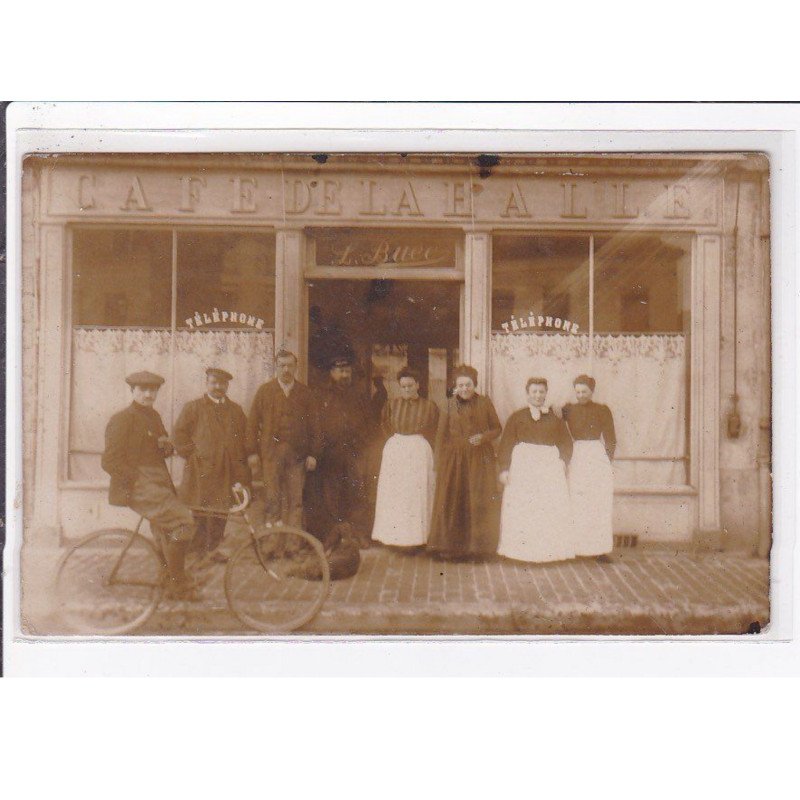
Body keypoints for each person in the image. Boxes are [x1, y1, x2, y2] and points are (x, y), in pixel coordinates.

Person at [101, 371, 196, 598]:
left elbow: (158, 449)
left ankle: (167, 577)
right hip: (139, 485)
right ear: (133, 391)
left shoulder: (154, 417)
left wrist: (166, 448)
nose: (148, 394)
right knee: (183, 521)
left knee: (165, 530)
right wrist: (136, 479)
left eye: (152, 390)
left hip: (158, 482)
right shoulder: (122, 419)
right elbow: (109, 461)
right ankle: (178, 584)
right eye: (142, 389)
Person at [172, 367, 250, 564]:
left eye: (222, 383)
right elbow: (179, 435)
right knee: (200, 511)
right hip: (202, 470)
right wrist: (194, 455)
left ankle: (213, 550)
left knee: (220, 512)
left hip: (226, 470)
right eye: (213, 382)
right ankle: (197, 552)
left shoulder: (236, 410)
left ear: (227, 386)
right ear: (206, 384)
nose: (218, 387)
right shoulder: (193, 408)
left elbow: (243, 439)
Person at [427, 365, 502, 560]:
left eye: (468, 384)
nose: (465, 389)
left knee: (477, 500)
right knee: (454, 501)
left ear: (474, 385)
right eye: (460, 385)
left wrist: (483, 437)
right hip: (455, 460)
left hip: (479, 459)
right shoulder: (448, 404)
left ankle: (478, 549)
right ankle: (452, 549)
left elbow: (497, 428)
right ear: (455, 386)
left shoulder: (485, 402)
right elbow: (440, 436)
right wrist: (438, 463)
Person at [497, 377, 574, 563]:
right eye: (534, 392)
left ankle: (548, 552)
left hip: (548, 468)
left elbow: (566, 443)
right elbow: (506, 443)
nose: (538, 396)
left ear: (546, 393)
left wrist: (563, 462)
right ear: (527, 394)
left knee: (547, 508)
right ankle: (519, 552)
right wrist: (505, 469)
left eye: (541, 392)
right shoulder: (517, 417)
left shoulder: (555, 418)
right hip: (523, 467)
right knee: (523, 508)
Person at [246, 350, 319, 529]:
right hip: (271, 455)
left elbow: (315, 426)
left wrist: (314, 454)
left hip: (297, 456)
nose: (286, 369)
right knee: (272, 499)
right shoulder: (265, 391)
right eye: (282, 365)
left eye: (290, 365)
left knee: (296, 501)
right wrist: (252, 452)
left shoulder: (305, 393)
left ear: (296, 367)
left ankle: (293, 545)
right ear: (276, 367)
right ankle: (271, 544)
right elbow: (252, 424)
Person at [304, 354, 372, 548]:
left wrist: (362, 445)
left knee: (356, 495)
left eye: (348, 371)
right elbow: (315, 425)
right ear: (332, 372)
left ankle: (357, 536)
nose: (345, 375)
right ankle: (332, 537)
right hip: (330, 456)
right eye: (341, 371)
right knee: (330, 498)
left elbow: (368, 423)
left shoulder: (358, 395)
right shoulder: (322, 395)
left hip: (353, 454)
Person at [371, 367, 440, 550]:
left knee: (416, 495)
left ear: (418, 385)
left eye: (410, 385)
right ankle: (393, 538)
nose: (407, 389)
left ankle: (418, 539)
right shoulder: (392, 404)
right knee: (396, 494)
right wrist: (396, 442)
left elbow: (434, 430)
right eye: (403, 386)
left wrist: (420, 443)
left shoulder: (429, 406)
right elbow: (384, 424)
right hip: (396, 451)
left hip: (419, 451)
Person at [562, 374, 617, 561]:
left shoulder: (602, 410)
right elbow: (560, 434)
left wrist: (606, 461)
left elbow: (610, 438)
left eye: (584, 391)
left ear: (592, 391)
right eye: (577, 391)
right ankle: (576, 548)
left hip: (596, 454)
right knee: (577, 501)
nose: (581, 395)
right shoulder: (568, 410)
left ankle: (599, 549)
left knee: (598, 503)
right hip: (577, 455)